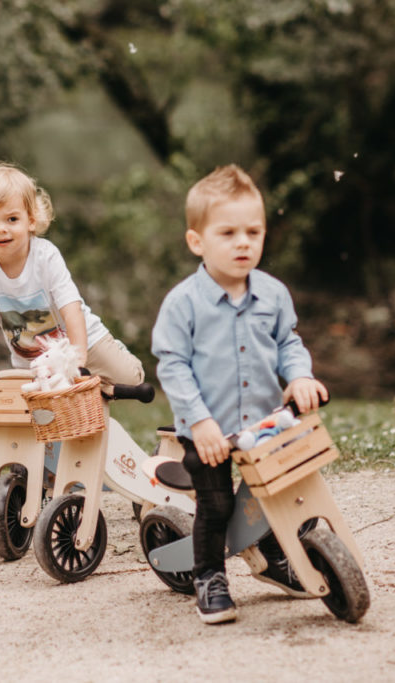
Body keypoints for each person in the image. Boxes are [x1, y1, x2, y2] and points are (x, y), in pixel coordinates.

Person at [151, 164, 328, 624]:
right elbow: (172, 364)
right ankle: (209, 575)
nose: (243, 242)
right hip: (208, 429)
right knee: (217, 504)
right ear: (198, 241)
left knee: (276, 491)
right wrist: (201, 421)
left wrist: (301, 377)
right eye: (228, 232)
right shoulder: (183, 303)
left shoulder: (272, 294)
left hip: (265, 422)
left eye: (254, 231)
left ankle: (274, 556)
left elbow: (288, 343)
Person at [0, 158, 144, 385]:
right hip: (33, 356)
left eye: (12, 219)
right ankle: (90, 393)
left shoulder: (45, 256)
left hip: (83, 342)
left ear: (31, 221)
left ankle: (113, 364)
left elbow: (70, 307)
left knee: (129, 381)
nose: (1, 228)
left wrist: (78, 358)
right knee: (45, 413)